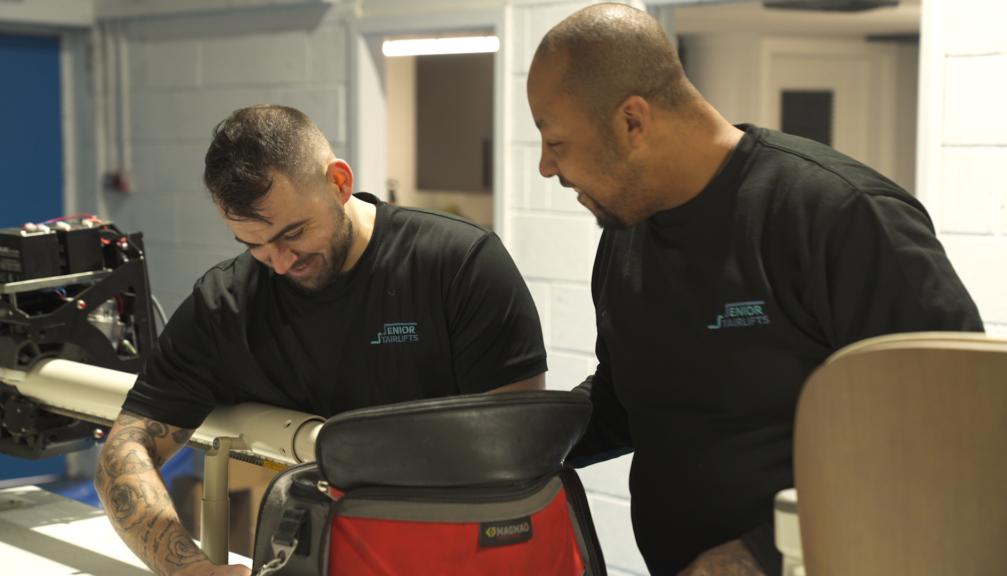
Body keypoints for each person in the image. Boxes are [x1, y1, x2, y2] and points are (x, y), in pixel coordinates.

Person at [526, 4, 983, 576]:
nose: (547, 167)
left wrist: (761, 554)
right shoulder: (627, 234)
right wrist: (509, 444)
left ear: (632, 122)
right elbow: (627, 402)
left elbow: (958, 423)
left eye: (556, 141)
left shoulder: (839, 214)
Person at [95, 105, 547, 576]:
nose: (282, 262)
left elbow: (516, 455)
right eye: (255, 245)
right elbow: (123, 453)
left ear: (339, 182)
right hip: (312, 557)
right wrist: (190, 570)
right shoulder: (226, 305)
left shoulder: (458, 265)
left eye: (295, 233)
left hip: (459, 557)